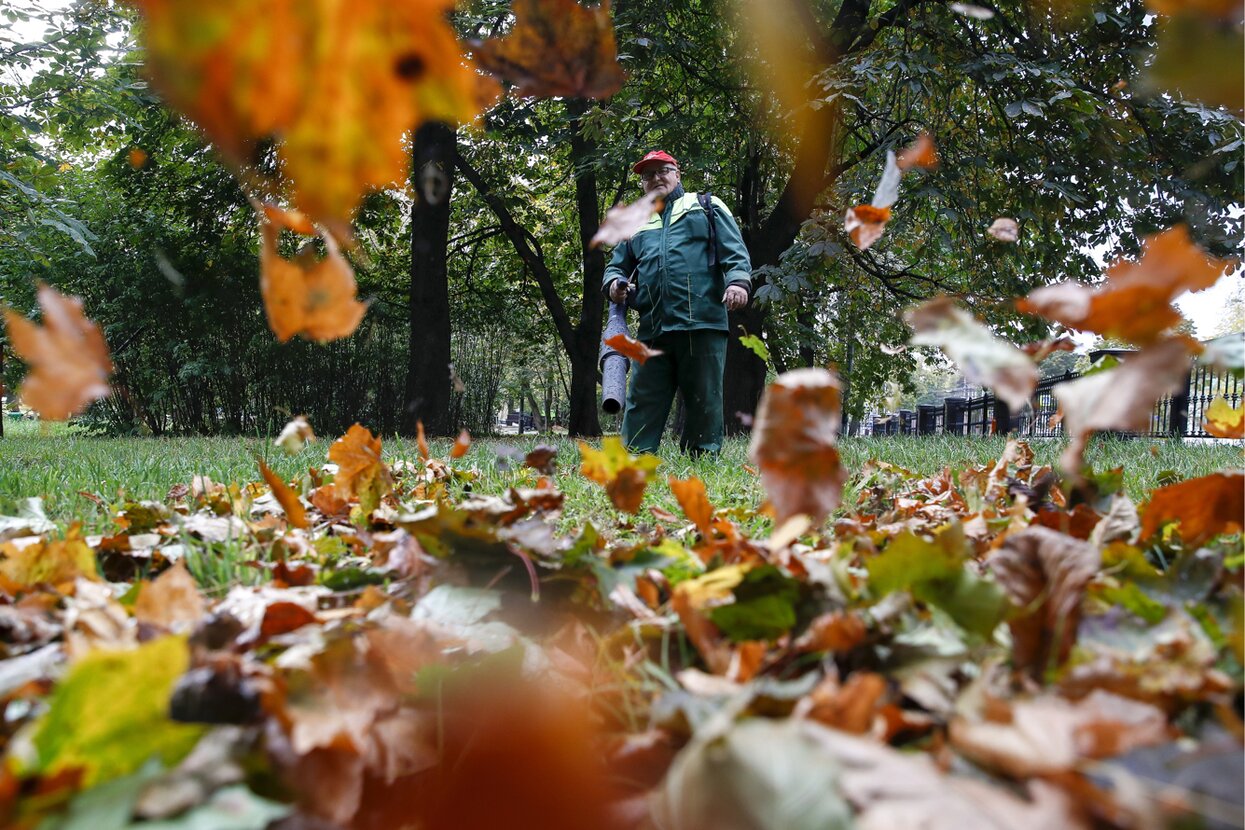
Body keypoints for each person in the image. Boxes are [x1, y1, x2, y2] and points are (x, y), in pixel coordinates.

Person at [602, 150, 753, 454]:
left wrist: (738, 282)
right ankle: (635, 458)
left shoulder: (705, 206)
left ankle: (702, 458)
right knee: (643, 398)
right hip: (653, 328)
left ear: (677, 173)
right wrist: (613, 285)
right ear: (642, 184)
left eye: (662, 171)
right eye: (647, 175)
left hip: (703, 321)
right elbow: (616, 267)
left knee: (704, 398)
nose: (655, 178)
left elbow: (735, 253)